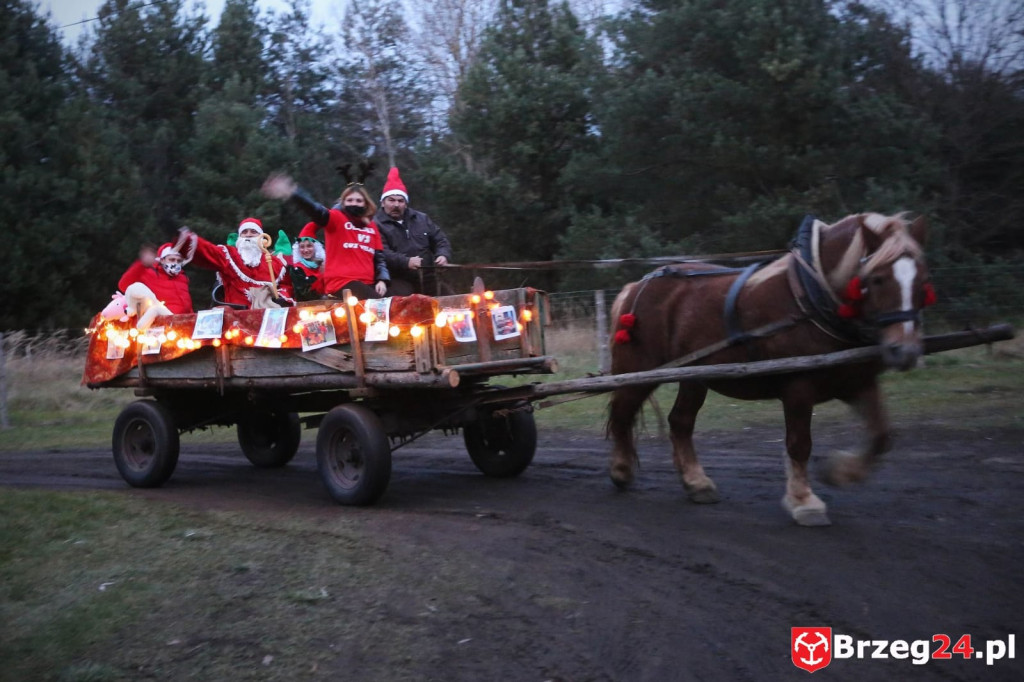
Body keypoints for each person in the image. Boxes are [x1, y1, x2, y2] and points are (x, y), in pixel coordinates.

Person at [261, 174, 389, 301]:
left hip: (368, 283)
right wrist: (294, 193)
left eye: (358, 201)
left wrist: (382, 280)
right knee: (380, 305)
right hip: (342, 282)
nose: (354, 203)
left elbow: (379, 258)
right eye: (349, 200)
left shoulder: (371, 226)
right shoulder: (336, 218)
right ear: (343, 203)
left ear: (365, 203)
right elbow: (315, 210)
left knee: (395, 299)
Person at [373, 167, 453, 296]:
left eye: (400, 201)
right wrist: (406, 262)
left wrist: (443, 255)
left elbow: (440, 239)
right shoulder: (375, 224)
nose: (396, 205)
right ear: (383, 203)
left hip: (428, 276)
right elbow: (382, 253)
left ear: (406, 203)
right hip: (397, 279)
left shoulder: (422, 219)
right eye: (391, 200)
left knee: (453, 301)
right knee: (407, 305)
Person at [183, 218, 295, 309]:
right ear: (239, 237)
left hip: (268, 319)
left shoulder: (275, 263)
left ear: (262, 238)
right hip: (237, 321)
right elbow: (208, 251)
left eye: (253, 232)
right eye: (244, 232)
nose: (248, 235)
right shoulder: (229, 255)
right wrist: (186, 240)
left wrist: (282, 298)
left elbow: (286, 287)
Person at [117, 239, 195, 315]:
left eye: (179, 261)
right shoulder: (148, 273)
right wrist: (142, 265)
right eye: (172, 259)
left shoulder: (183, 277)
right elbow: (123, 285)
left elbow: (187, 304)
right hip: (162, 324)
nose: (175, 263)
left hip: (185, 322)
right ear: (162, 260)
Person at [289, 222, 326, 301]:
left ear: (316, 247)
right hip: (307, 308)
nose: (305, 250)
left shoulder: (324, 265)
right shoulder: (297, 269)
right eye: (302, 247)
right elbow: (304, 294)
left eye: (309, 246)